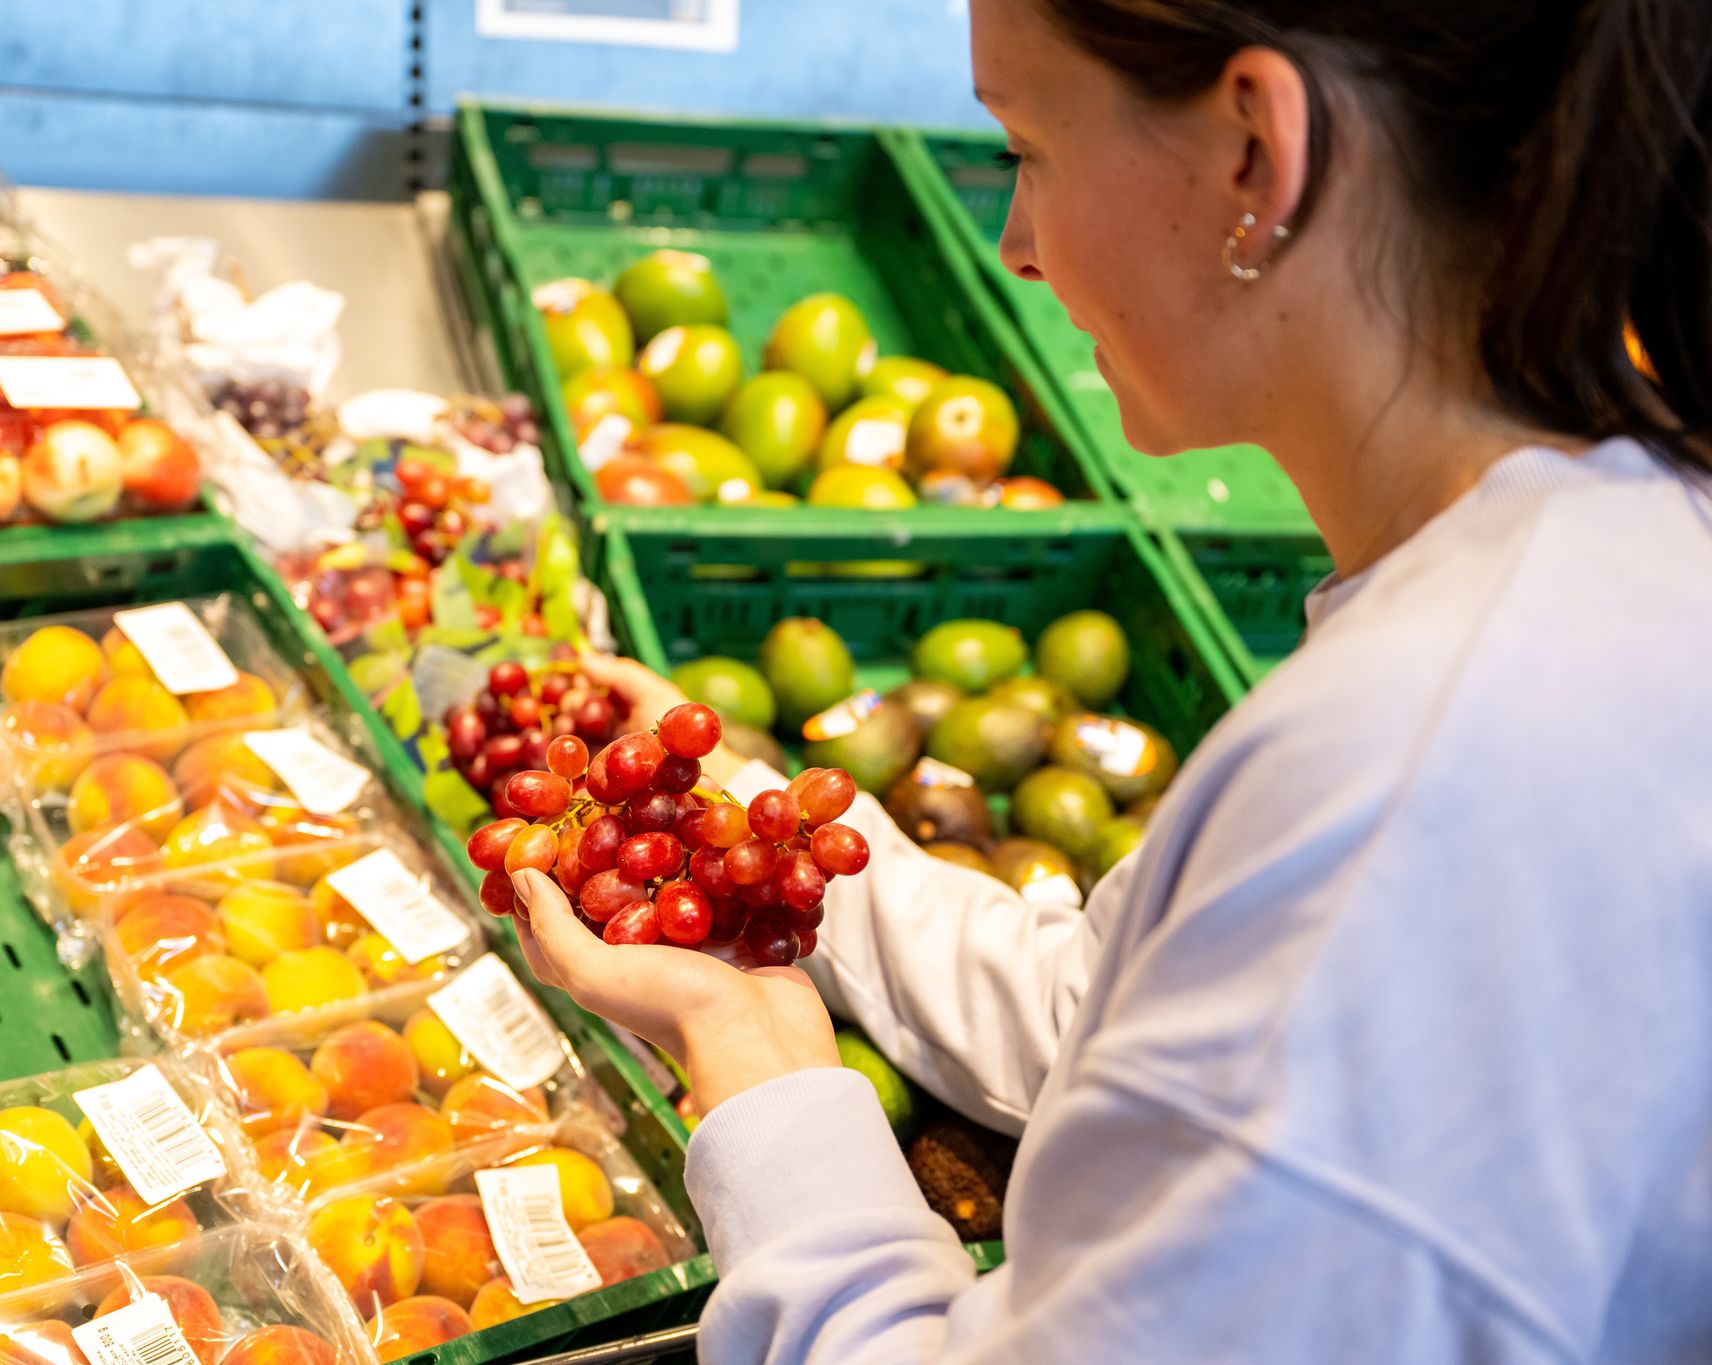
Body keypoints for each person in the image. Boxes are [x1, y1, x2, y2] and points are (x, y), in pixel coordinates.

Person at [516, 0, 1712, 1359]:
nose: (1017, 249)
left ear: (1257, 151)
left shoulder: (1422, 784)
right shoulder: (1602, 546)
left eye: (1025, 148)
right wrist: (764, 830)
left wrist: (761, 1076)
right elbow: (1130, 1015)